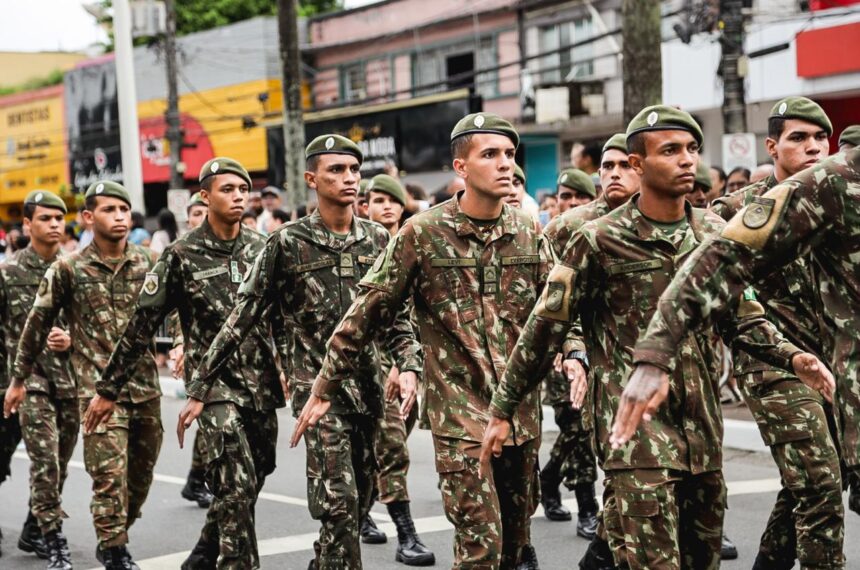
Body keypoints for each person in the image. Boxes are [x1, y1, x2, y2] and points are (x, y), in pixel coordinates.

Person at [481, 105, 825, 570]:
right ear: (638, 163)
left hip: (701, 436)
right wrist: (502, 410)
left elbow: (742, 319)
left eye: (691, 150)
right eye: (670, 150)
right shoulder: (597, 240)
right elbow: (544, 328)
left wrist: (791, 356)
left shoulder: (715, 233)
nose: (687, 160)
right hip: (635, 441)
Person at [293, 113, 548, 569]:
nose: (505, 164)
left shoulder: (529, 232)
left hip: (520, 417)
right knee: (481, 548)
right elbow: (367, 312)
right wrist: (323, 387)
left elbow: (556, 312)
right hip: (460, 418)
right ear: (461, 167)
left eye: (510, 154)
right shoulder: (423, 234)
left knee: (514, 545)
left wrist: (573, 354)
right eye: (490, 154)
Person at [190, 135, 421, 570]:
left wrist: (408, 365)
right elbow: (243, 316)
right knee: (337, 503)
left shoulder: (378, 240)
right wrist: (201, 384)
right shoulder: (287, 244)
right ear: (311, 178)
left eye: (354, 170)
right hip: (319, 398)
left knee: (358, 504)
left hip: (371, 394)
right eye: (336, 170)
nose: (349, 178)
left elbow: (397, 318)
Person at [82, 158, 285, 569]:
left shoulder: (262, 248)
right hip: (212, 389)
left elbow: (282, 317)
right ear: (205, 197)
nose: (238, 197)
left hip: (261, 387)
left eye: (243, 189)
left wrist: (291, 369)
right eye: (227, 189)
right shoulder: (181, 255)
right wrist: (108, 390)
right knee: (234, 488)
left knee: (254, 477)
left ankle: (203, 552)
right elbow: (141, 325)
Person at [703, 97, 844, 569]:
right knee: (821, 487)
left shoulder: (840, 205)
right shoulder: (738, 211)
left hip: (833, 364)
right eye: (798, 138)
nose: (813, 148)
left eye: (820, 138)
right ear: (772, 146)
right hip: (772, 366)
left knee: (812, 480)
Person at [4, 181, 163, 570]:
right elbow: (33, 328)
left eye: (125, 210)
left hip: (127, 387)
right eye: (110, 210)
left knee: (137, 478)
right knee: (86, 471)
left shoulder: (149, 261)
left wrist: (178, 348)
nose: (120, 217)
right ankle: (100, 546)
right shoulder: (61, 269)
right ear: (90, 218)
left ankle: (98, 530)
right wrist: (17, 379)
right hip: (78, 390)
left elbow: (169, 309)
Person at [539, 133, 637, 567]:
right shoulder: (568, 228)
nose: (614, 173)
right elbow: (546, 301)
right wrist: (565, 347)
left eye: (624, 164)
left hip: (651, 372)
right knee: (591, 443)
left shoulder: (676, 223)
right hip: (588, 366)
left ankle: (598, 549)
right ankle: (586, 509)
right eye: (608, 166)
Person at [0, 191, 75, 568]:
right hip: (24, 383)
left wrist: (71, 338)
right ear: (27, 225)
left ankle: (34, 526)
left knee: (58, 462)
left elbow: (91, 325)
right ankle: (51, 534)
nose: (55, 225)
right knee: (40, 460)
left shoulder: (73, 270)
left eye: (60, 218)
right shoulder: (8, 273)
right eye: (46, 218)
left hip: (69, 383)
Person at [363, 173, 435, 566]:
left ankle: (361, 509)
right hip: (371, 365)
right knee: (390, 445)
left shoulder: (415, 245)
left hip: (408, 362)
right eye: (377, 200)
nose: (386, 206)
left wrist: (409, 364)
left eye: (392, 201)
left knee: (388, 444)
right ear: (367, 206)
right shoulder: (364, 247)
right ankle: (406, 535)